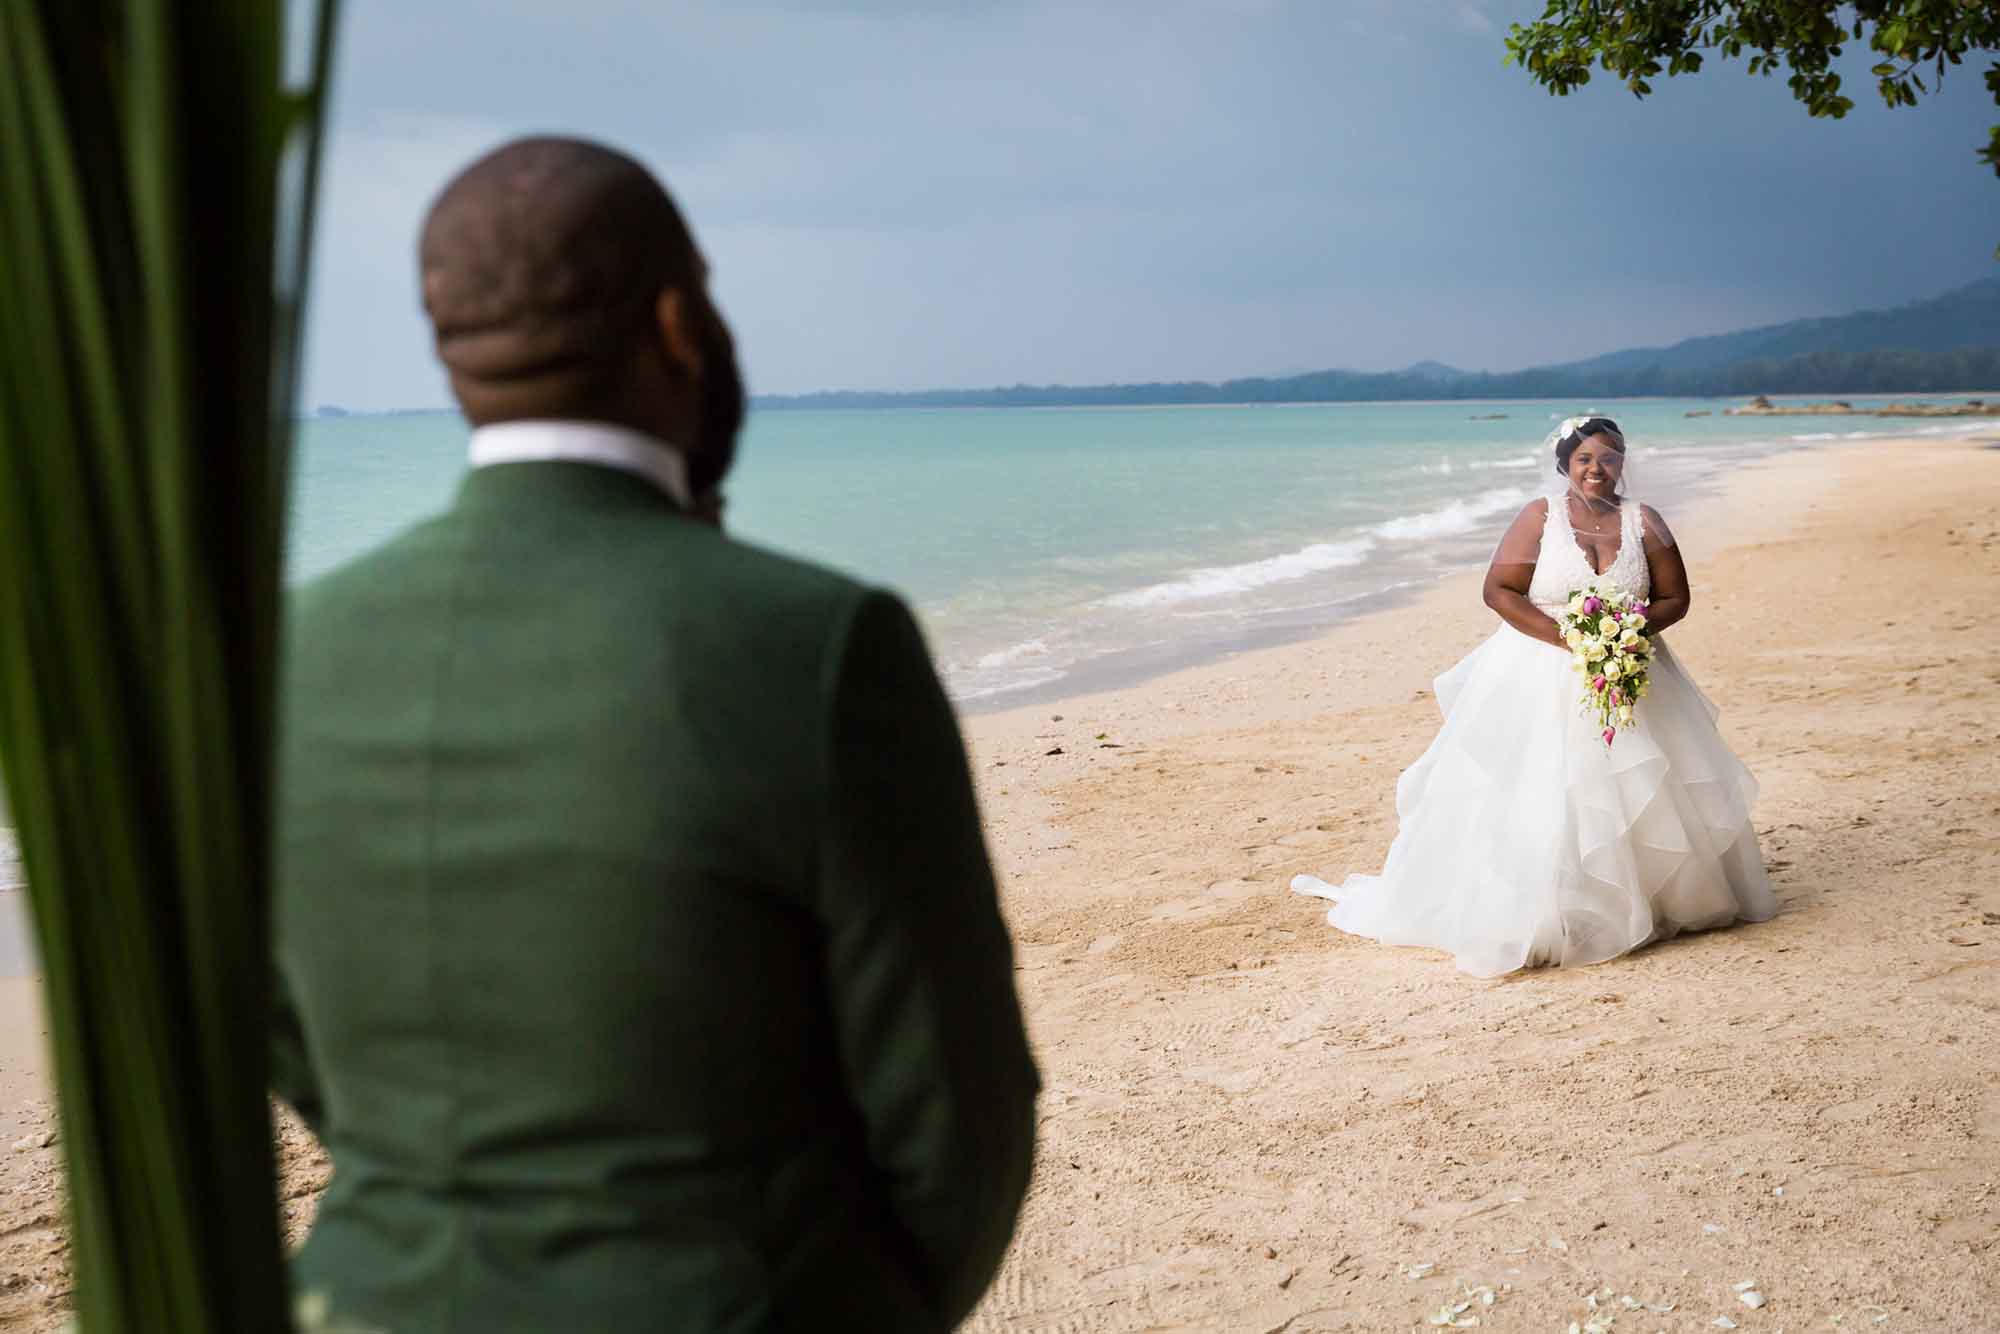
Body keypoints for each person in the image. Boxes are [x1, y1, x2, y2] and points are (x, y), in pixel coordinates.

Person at [271, 136, 1039, 1332]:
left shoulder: (282, 656)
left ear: (449, 346)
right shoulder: (821, 642)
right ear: (681, 323)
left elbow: (300, 1052)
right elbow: (955, 1118)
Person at [1291, 416, 1776, 977]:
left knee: (1638, 779)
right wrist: (1573, 640)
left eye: (1609, 458)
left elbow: (1675, 598)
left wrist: (1626, 632)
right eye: (1584, 460)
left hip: (1629, 670)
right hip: (1537, 668)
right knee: (1545, 786)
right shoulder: (1540, 517)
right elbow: (1498, 591)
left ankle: (1649, 899)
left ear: (1623, 463)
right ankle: (1552, 910)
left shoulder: (1644, 522)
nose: (1597, 470)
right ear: (1564, 465)